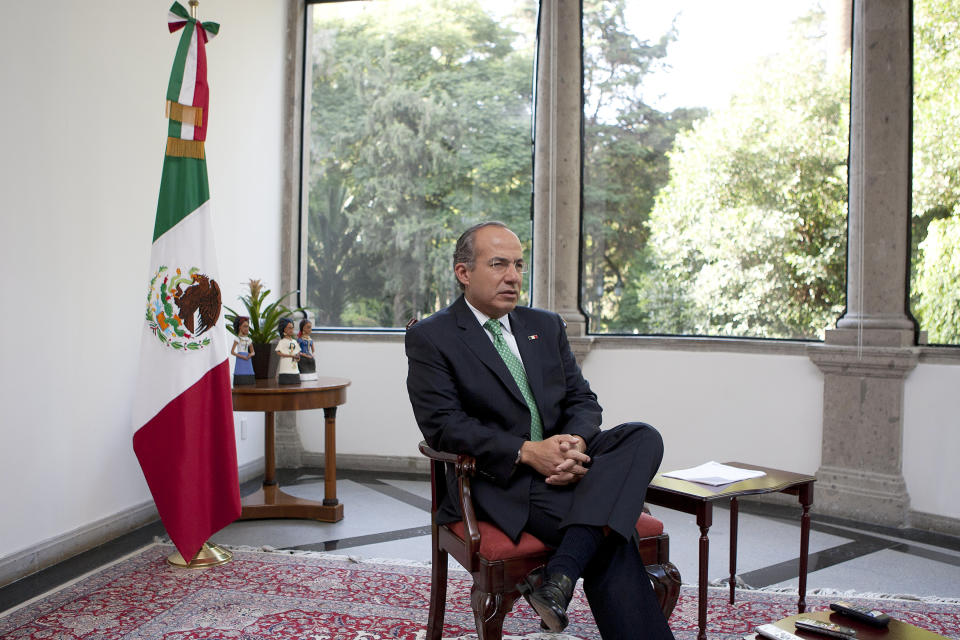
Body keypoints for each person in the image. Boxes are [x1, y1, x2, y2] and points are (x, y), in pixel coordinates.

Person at [405, 221, 674, 640]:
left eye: (518, 265)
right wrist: (530, 452)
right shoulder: (433, 336)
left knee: (643, 435)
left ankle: (559, 575)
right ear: (463, 273)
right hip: (503, 481)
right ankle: (565, 573)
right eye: (498, 264)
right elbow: (443, 426)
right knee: (611, 540)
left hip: (570, 464)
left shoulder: (544, 325)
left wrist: (574, 446)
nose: (513, 276)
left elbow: (583, 401)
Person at [231, 316, 256, 386]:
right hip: (240, 359)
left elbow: (253, 352)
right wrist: (241, 356)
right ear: (240, 327)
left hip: (247, 358)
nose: (246, 329)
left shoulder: (249, 340)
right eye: (244, 326)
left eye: (247, 327)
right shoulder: (237, 339)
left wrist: (250, 355)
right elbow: (232, 352)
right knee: (240, 371)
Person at [275, 318, 301, 385]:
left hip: (294, 367)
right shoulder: (282, 342)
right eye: (289, 328)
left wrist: (297, 357)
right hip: (285, 366)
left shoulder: (294, 342)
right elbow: (278, 352)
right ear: (284, 329)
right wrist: (290, 356)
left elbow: (298, 351)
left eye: (292, 328)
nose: (291, 330)